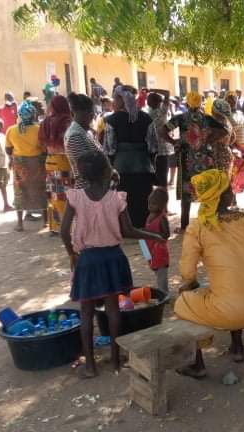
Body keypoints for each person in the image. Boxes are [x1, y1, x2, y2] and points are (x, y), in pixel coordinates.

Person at [60, 151, 165, 378]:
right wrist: (152, 236)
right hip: (113, 258)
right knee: (113, 309)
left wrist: (72, 254)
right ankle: (116, 361)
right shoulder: (116, 198)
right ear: (107, 172)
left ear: (83, 174)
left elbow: (63, 231)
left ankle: (90, 366)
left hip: (87, 260)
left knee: (86, 312)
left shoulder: (75, 198)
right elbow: (128, 231)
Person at [174, 169, 244, 373]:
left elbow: (188, 274)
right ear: (227, 195)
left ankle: (197, 364)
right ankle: (237, 347)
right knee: (225, 291)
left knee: (183, 301)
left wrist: (192, 283)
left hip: (230, 309)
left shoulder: (198, 227)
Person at [103, 85, 155, 228]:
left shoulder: (111, 121)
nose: (113, 102)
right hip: (143, 167)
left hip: (121, 168)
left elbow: (109, 149)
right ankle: (142, 228)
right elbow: (153, 147)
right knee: (142, 200)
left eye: (114, 98)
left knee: (124, 200)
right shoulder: (146, 119)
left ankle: (126, 228)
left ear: (120, 100)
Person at [164, 91, 210, 232]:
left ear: (187, 103)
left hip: (186, 158)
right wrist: (207, 141)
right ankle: (207, 223)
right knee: (205, 188)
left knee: (186, 191)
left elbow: (162, 130)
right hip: (203, 158)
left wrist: (174, 142)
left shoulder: (181, 118)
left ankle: (184, 225)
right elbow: (223, 131)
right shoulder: (207, 119)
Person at [7, 101, 48, 231]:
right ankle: (45, 222)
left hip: (20, 165)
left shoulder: (11, 130)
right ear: (33, 115)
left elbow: (8, 150)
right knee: (41, 189)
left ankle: (20, 224)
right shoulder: (39, 129)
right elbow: (44, 148)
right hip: (37, 164)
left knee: (20, 191)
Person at [39, 95, 74, 234]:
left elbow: (41, 143)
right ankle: (69, 227)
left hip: (50, 161)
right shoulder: (68, 122)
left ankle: (55, 225)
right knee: (67, 194)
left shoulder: (45, 122)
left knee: (53, 194)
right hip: (65, 161)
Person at [65, 93, 103, 190]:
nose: (92, 115)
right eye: (90, 111)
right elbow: (86, 169)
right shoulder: (75, 135)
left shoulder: (85, 131)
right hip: (87, 190)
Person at [144, 188, 171, 301]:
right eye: (149, 203)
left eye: (153, 204)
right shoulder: (150, 215)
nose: (150, 206)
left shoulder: (162, 218)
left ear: (162, 205)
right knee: (155, 271)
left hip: (159, 251)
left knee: (161, 275)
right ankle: (163, 293)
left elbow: (166, 234)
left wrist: (153, 234)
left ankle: (164, 295)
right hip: (148, 249)